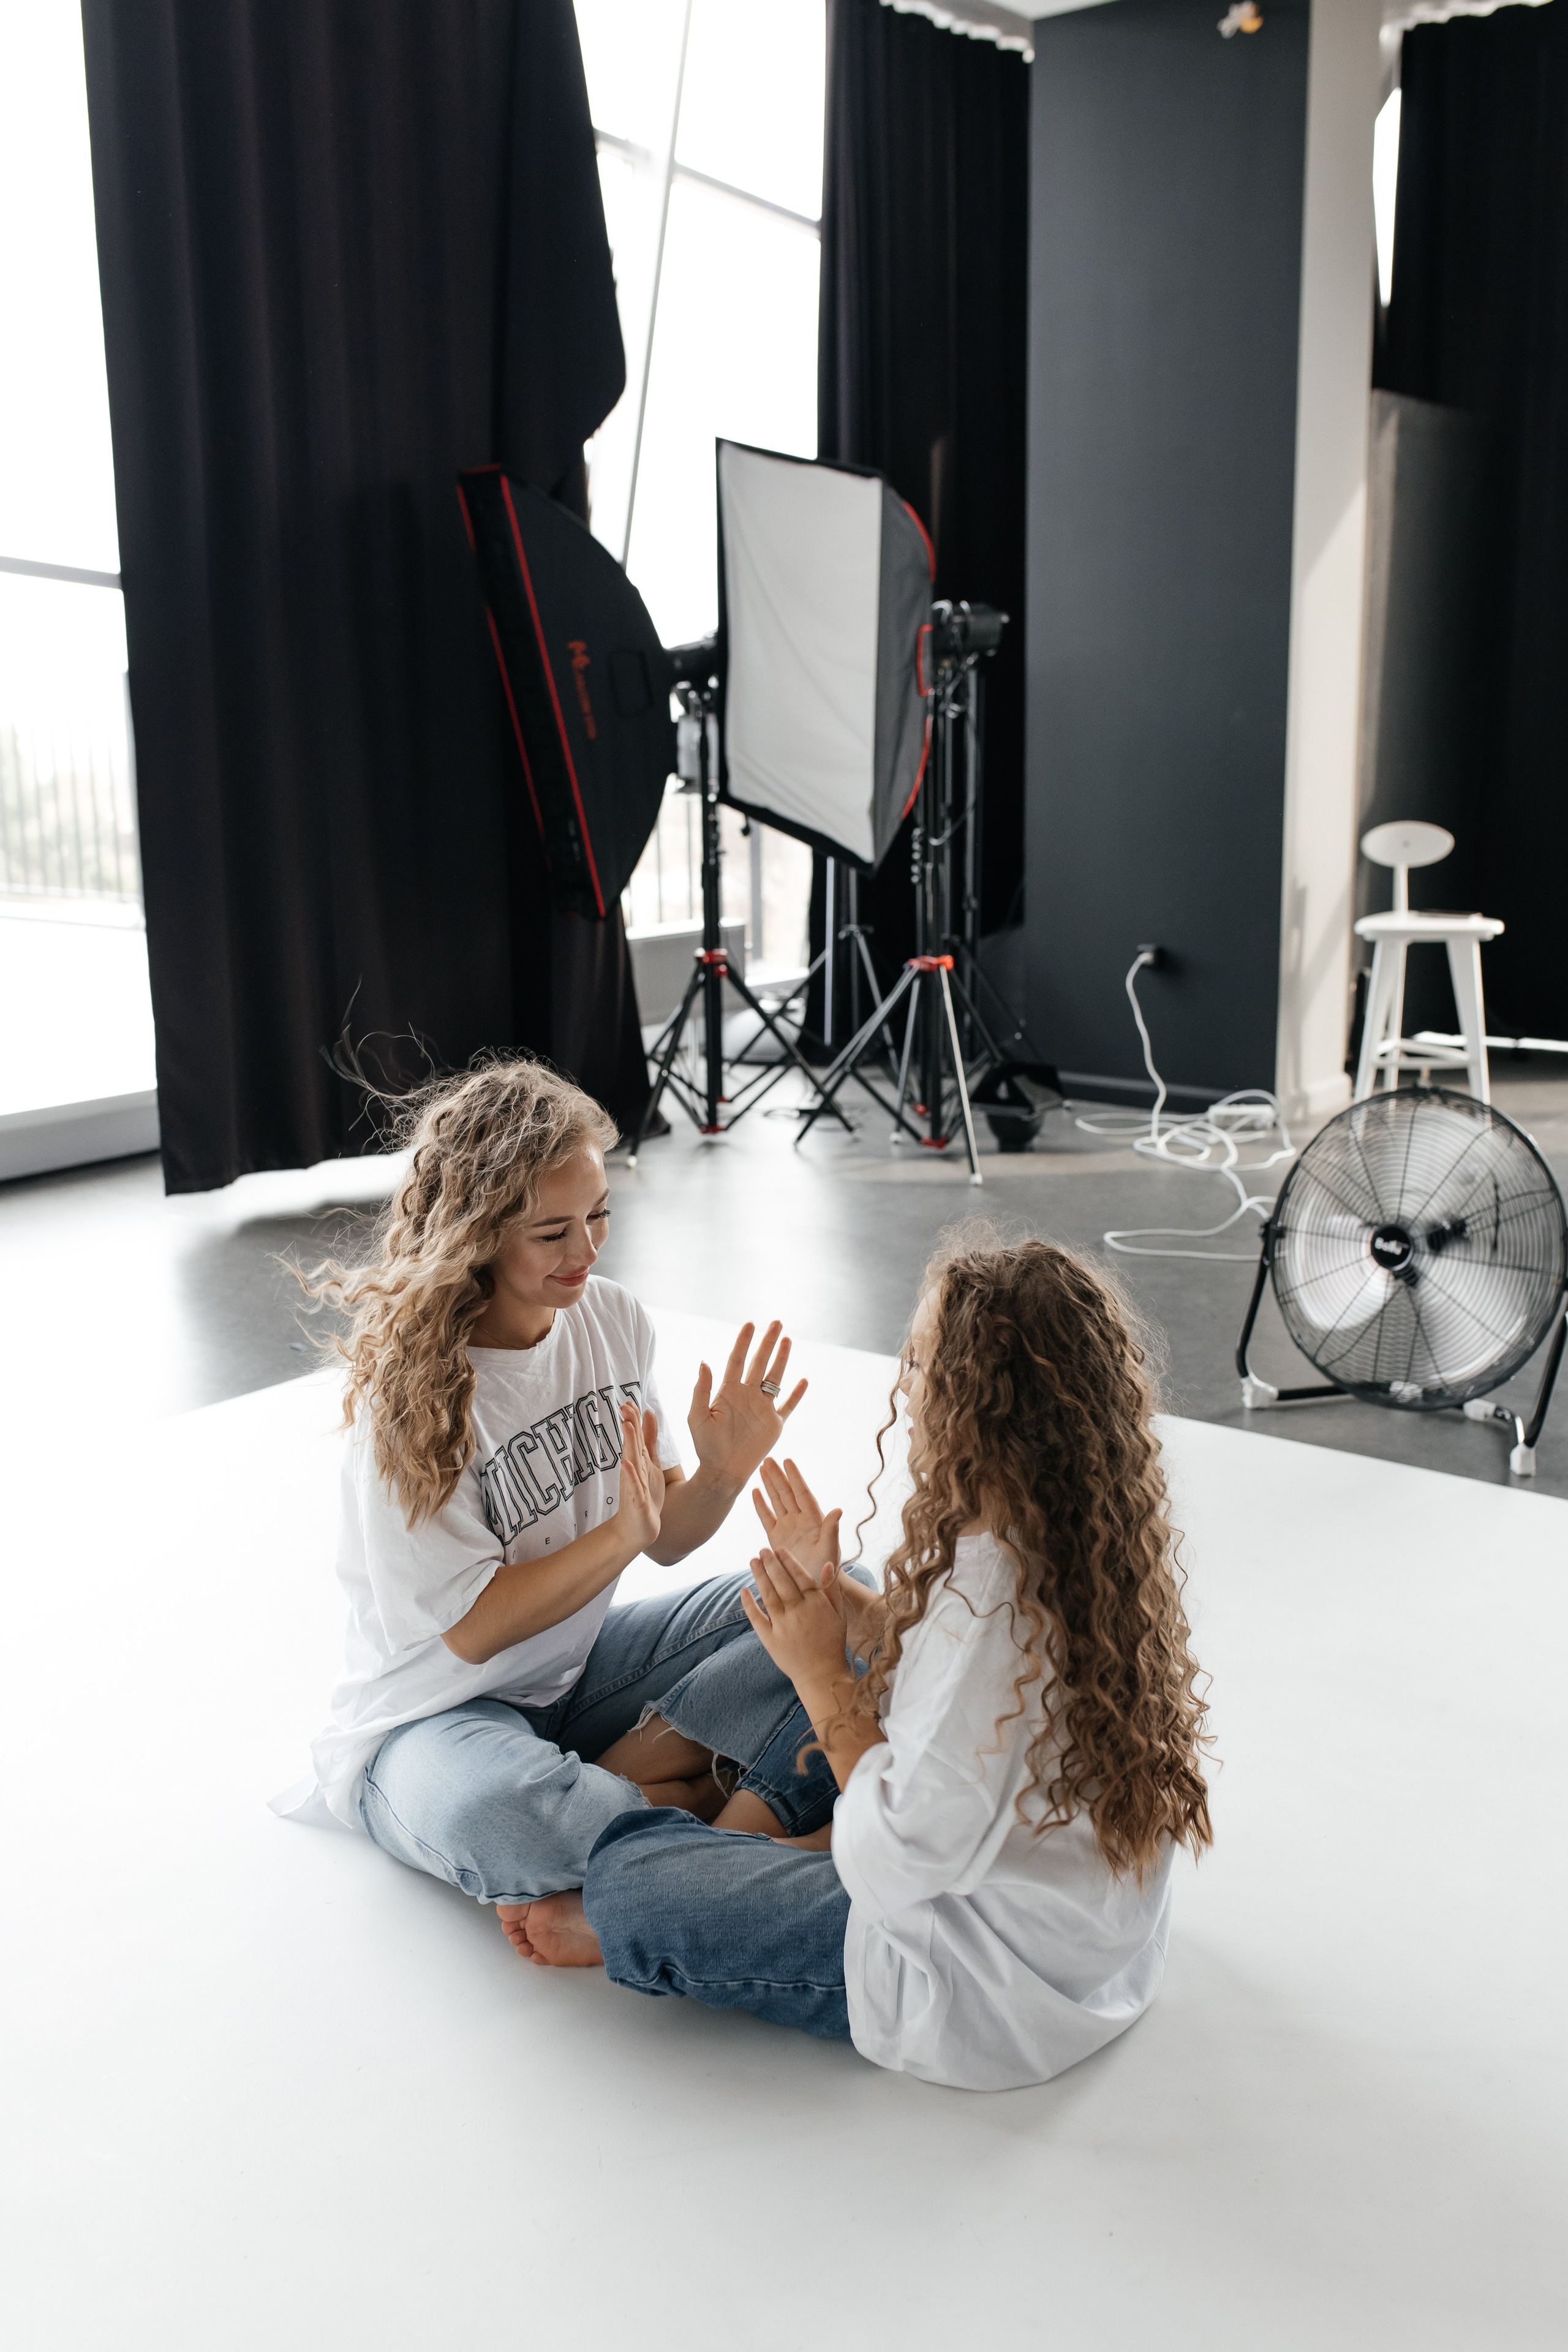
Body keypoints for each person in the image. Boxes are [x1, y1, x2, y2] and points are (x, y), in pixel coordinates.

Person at [509, 1236, 1215, 2094]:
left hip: (974, 1987)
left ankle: (724, 1828)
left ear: (971, 1407)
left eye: (918, 1364)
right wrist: (831, 1599)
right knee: (837, 1615)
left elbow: (895, 1859)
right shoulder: (1063, 1541)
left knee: (627, 1886)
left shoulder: (990, 1611)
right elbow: (947, 1696)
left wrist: (819, 1671)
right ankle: (744, 1822)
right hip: (1069, 1935)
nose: (905, 1386)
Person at [279, 1058, 840, 1927]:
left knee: (847, 1603)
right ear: (480, 1234)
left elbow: (665, 1536)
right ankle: (729, 1816)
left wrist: (726, 1469)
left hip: (578, 1677)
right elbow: (473, 1630)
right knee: (498, 1815)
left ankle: (646, 1801)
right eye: (552, 1233)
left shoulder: (611, 1319)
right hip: (434, 1721)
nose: (587, 1251)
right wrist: (619, 1535)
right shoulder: (415, 1396)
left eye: (599, 1215)